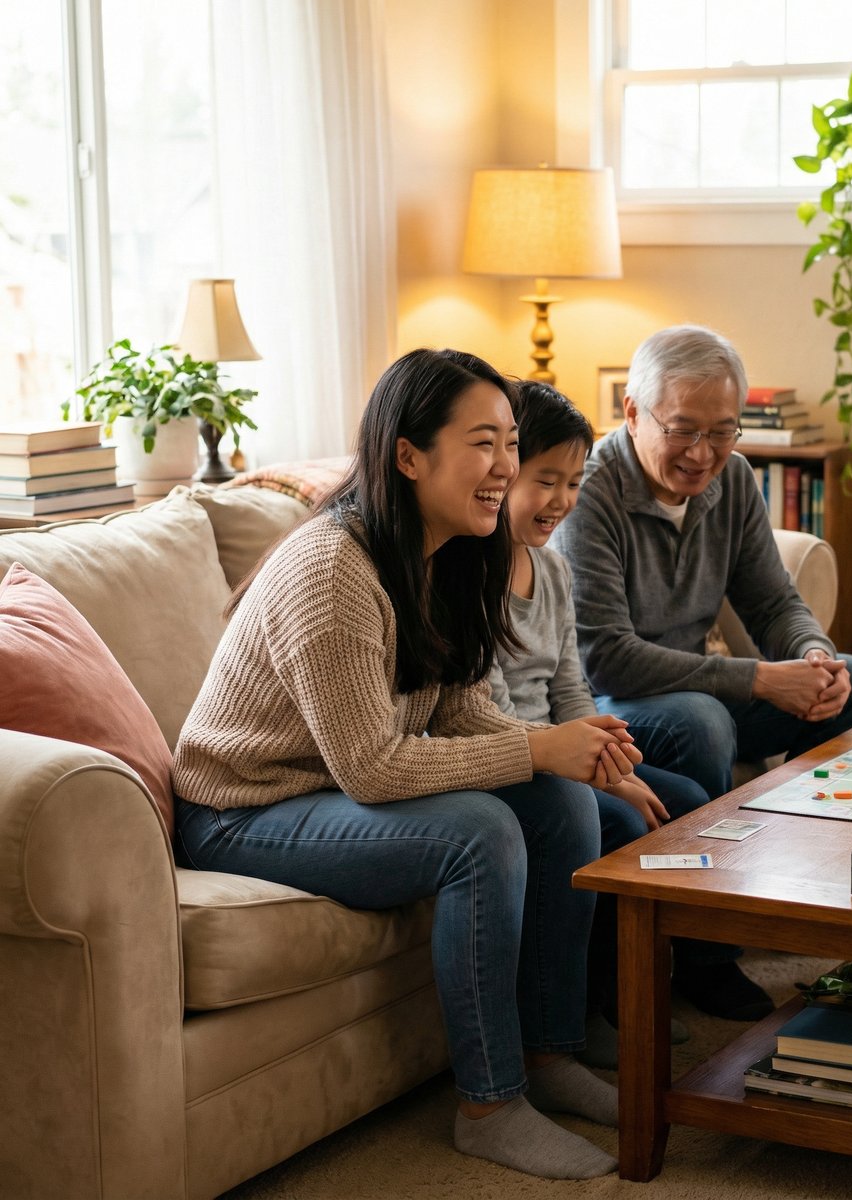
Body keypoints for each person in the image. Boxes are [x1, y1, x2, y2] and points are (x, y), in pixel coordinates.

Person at [172, 348, 642, 1181]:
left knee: (561, 805)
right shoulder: (332, 569)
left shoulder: (452, 553)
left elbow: (459, 708)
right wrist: (537, 746)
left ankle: (547, 1055)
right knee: (480, 832)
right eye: (482, 443)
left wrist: (579, 756)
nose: (504, 467)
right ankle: (490, 1107)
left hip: (322, 788)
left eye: (509, 442)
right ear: (409, 455)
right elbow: (373, 769)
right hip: (240, 810)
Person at [552, 325, 852, 1004]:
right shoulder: (587, 495)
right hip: (607, 710)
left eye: (723, 432)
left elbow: (774, 604)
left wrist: (814, 657)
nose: (703, 454)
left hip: (695, 688)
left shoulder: (732, 481)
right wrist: (762, 679)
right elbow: (606, 658)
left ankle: (803, 900)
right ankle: (703, 957)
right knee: (702, 723)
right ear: (633, 414)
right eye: (683, 430)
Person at [487, 380, 712, 1061]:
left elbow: (572, 688)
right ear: (500, 474)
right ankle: (570, 1022)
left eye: (574, 482)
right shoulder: (470, 576)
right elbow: (486, 713)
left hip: (568, 749)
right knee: (611, 820)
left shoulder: (551, 570)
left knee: (688, 805)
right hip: (512, 760)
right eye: (544, 480)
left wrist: (610, 766)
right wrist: (598, 779)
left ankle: (624, 997)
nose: (560, 500)